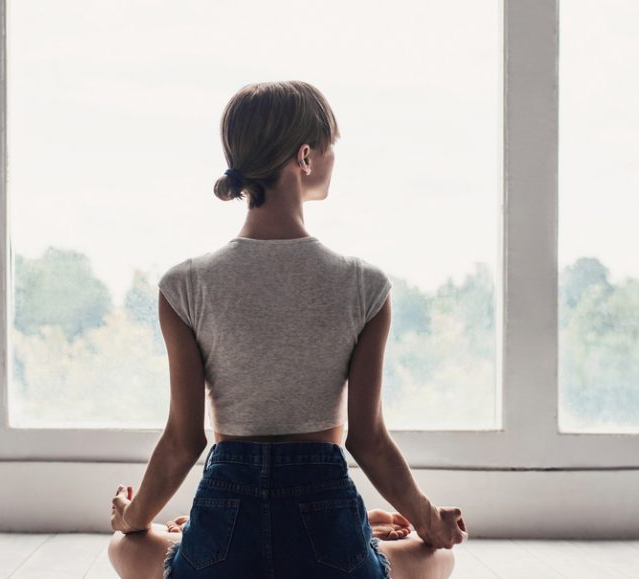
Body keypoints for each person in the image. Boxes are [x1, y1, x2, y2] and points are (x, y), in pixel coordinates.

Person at [106, 80, 467, 578]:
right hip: (327, 540)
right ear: (305, 156)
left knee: (124, 550)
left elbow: (182, 442)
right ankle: (362, 531)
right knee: (439, 558)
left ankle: (197, 531)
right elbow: (370, 441)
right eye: (330, 147)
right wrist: (432, 523)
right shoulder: (364, 286)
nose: (333, 159)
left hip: (225, 536)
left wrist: (133, 517)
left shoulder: (184, 286)